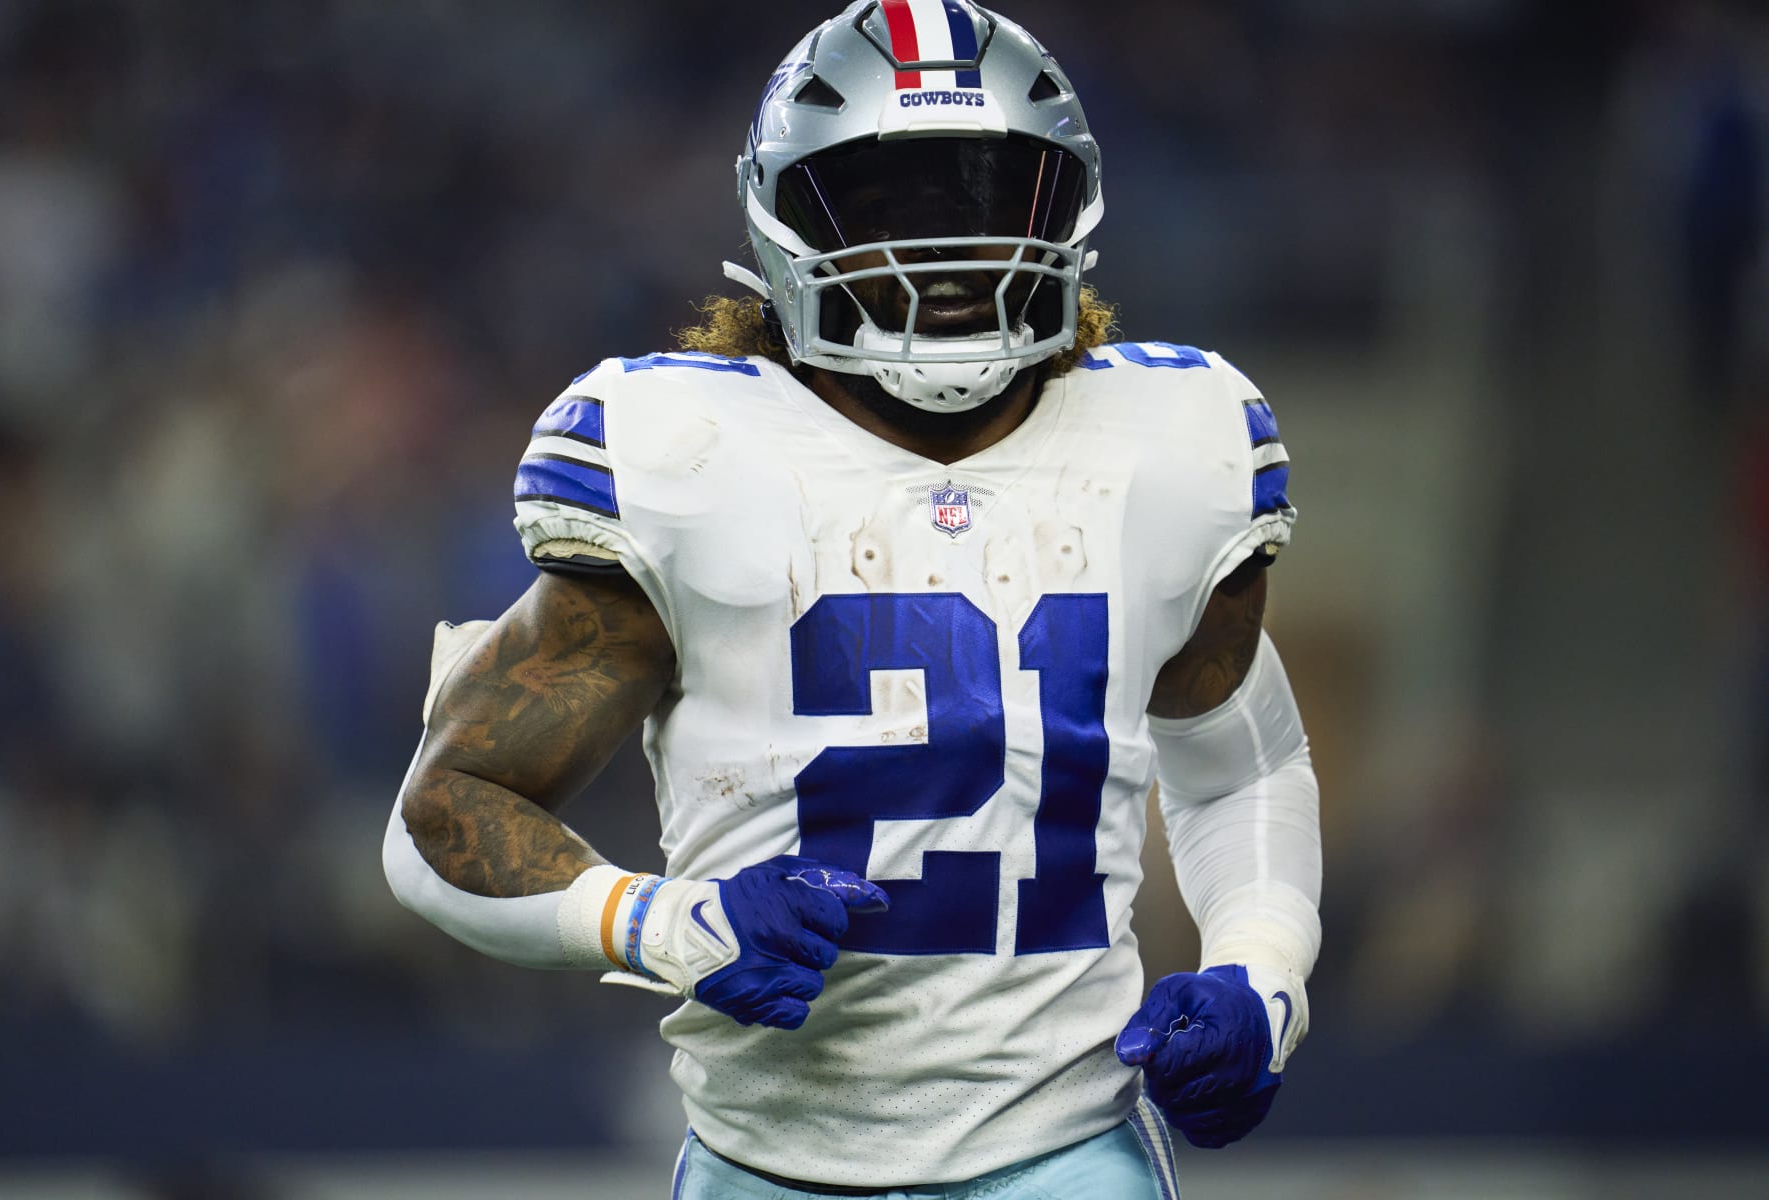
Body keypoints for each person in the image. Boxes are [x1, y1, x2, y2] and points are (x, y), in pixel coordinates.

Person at [382, 2, 1322, 1196]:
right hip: (769, 1160)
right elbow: (444, 810)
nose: (944, 248)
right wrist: (666, 924)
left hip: (1068, 1151)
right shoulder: (686, 453)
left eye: (987, 195)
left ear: (1065, 208)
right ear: (783, 219)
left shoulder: (1165, 442)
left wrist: (1259, 972)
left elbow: (1243, 768)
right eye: (886, 203)